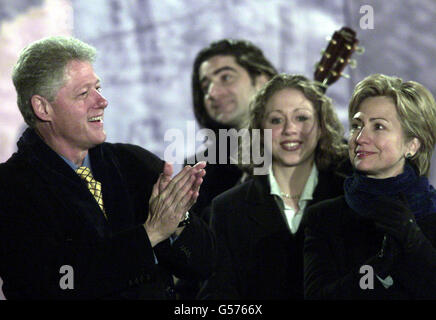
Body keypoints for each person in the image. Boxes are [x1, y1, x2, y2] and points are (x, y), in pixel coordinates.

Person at [0, 36, 215, 299]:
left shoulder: (134, 163)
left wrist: (178, 220)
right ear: (43, 108)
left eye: (98, 88)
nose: (102, 101)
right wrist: (150, 234)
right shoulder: (10, 188)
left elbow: (204, 265)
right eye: (83, 93)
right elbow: (54, 283)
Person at [197, 74, 351, 299]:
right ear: (259, 130)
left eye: (301, 118)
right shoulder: (227, 208)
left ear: (321, 126)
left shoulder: (349, 197)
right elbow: (217, 296)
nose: (290, 129)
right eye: (276, 120)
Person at [303, 74, 436, 299]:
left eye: (379, 127)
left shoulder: (432, 216)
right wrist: (379, 265)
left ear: (412, 145)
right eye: (357, 125)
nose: (360, 137)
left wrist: (412, 242)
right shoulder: (324, 217)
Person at [188, 39, 278, 221]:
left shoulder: (307, 148)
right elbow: (198, 240)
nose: (212, 93)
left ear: (261, 80)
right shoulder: (200, 169)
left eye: (226, 78)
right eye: (205, 87)